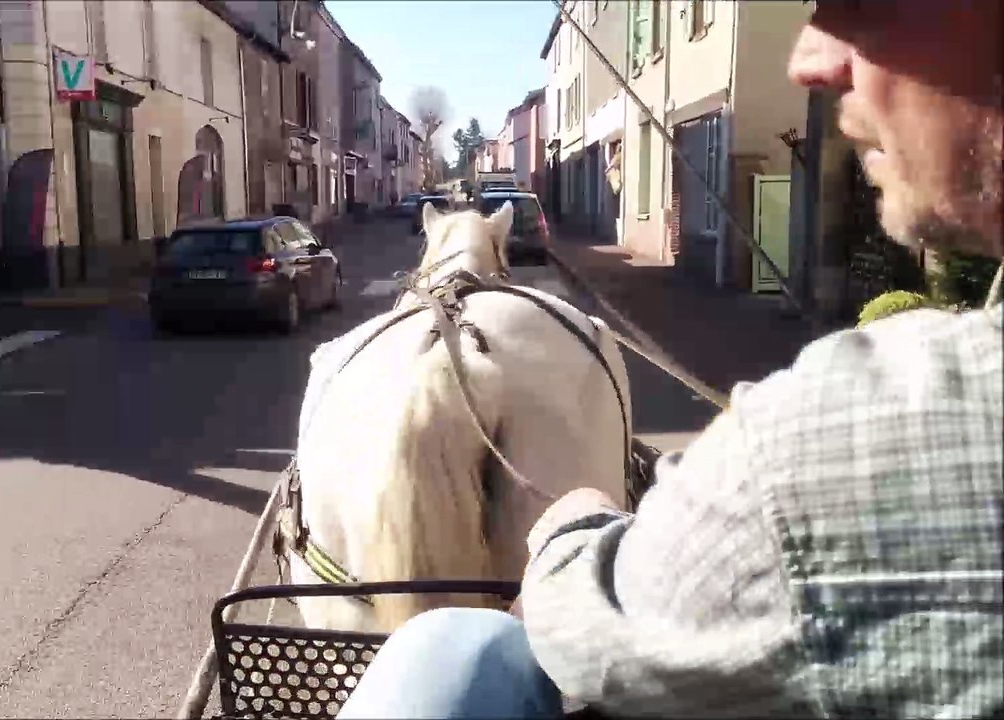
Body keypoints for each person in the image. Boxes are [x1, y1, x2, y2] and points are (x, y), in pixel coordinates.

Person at [341, 2, 1003, 718]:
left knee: (443, 660)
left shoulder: (838, 438)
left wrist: (573, 526)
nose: (809, 61)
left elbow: (591, 627)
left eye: (863, 9)